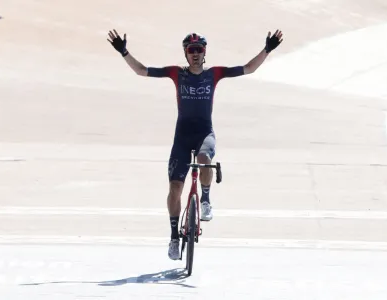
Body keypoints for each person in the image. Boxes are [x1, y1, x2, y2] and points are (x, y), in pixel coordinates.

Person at [107, 29, 283, 260]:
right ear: (186, 53)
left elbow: (248, 68)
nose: (196, 54)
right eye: (192, 50)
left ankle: (206, 199)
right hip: (182, 137)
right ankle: (173, 238)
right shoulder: (176, 73)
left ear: (205, 52)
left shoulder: (214, 74)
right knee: (175, 189)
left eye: (199, 49)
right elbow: (142, 71)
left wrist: (267, 49)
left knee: (204, 160)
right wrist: (124, 52)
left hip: (204, 134)